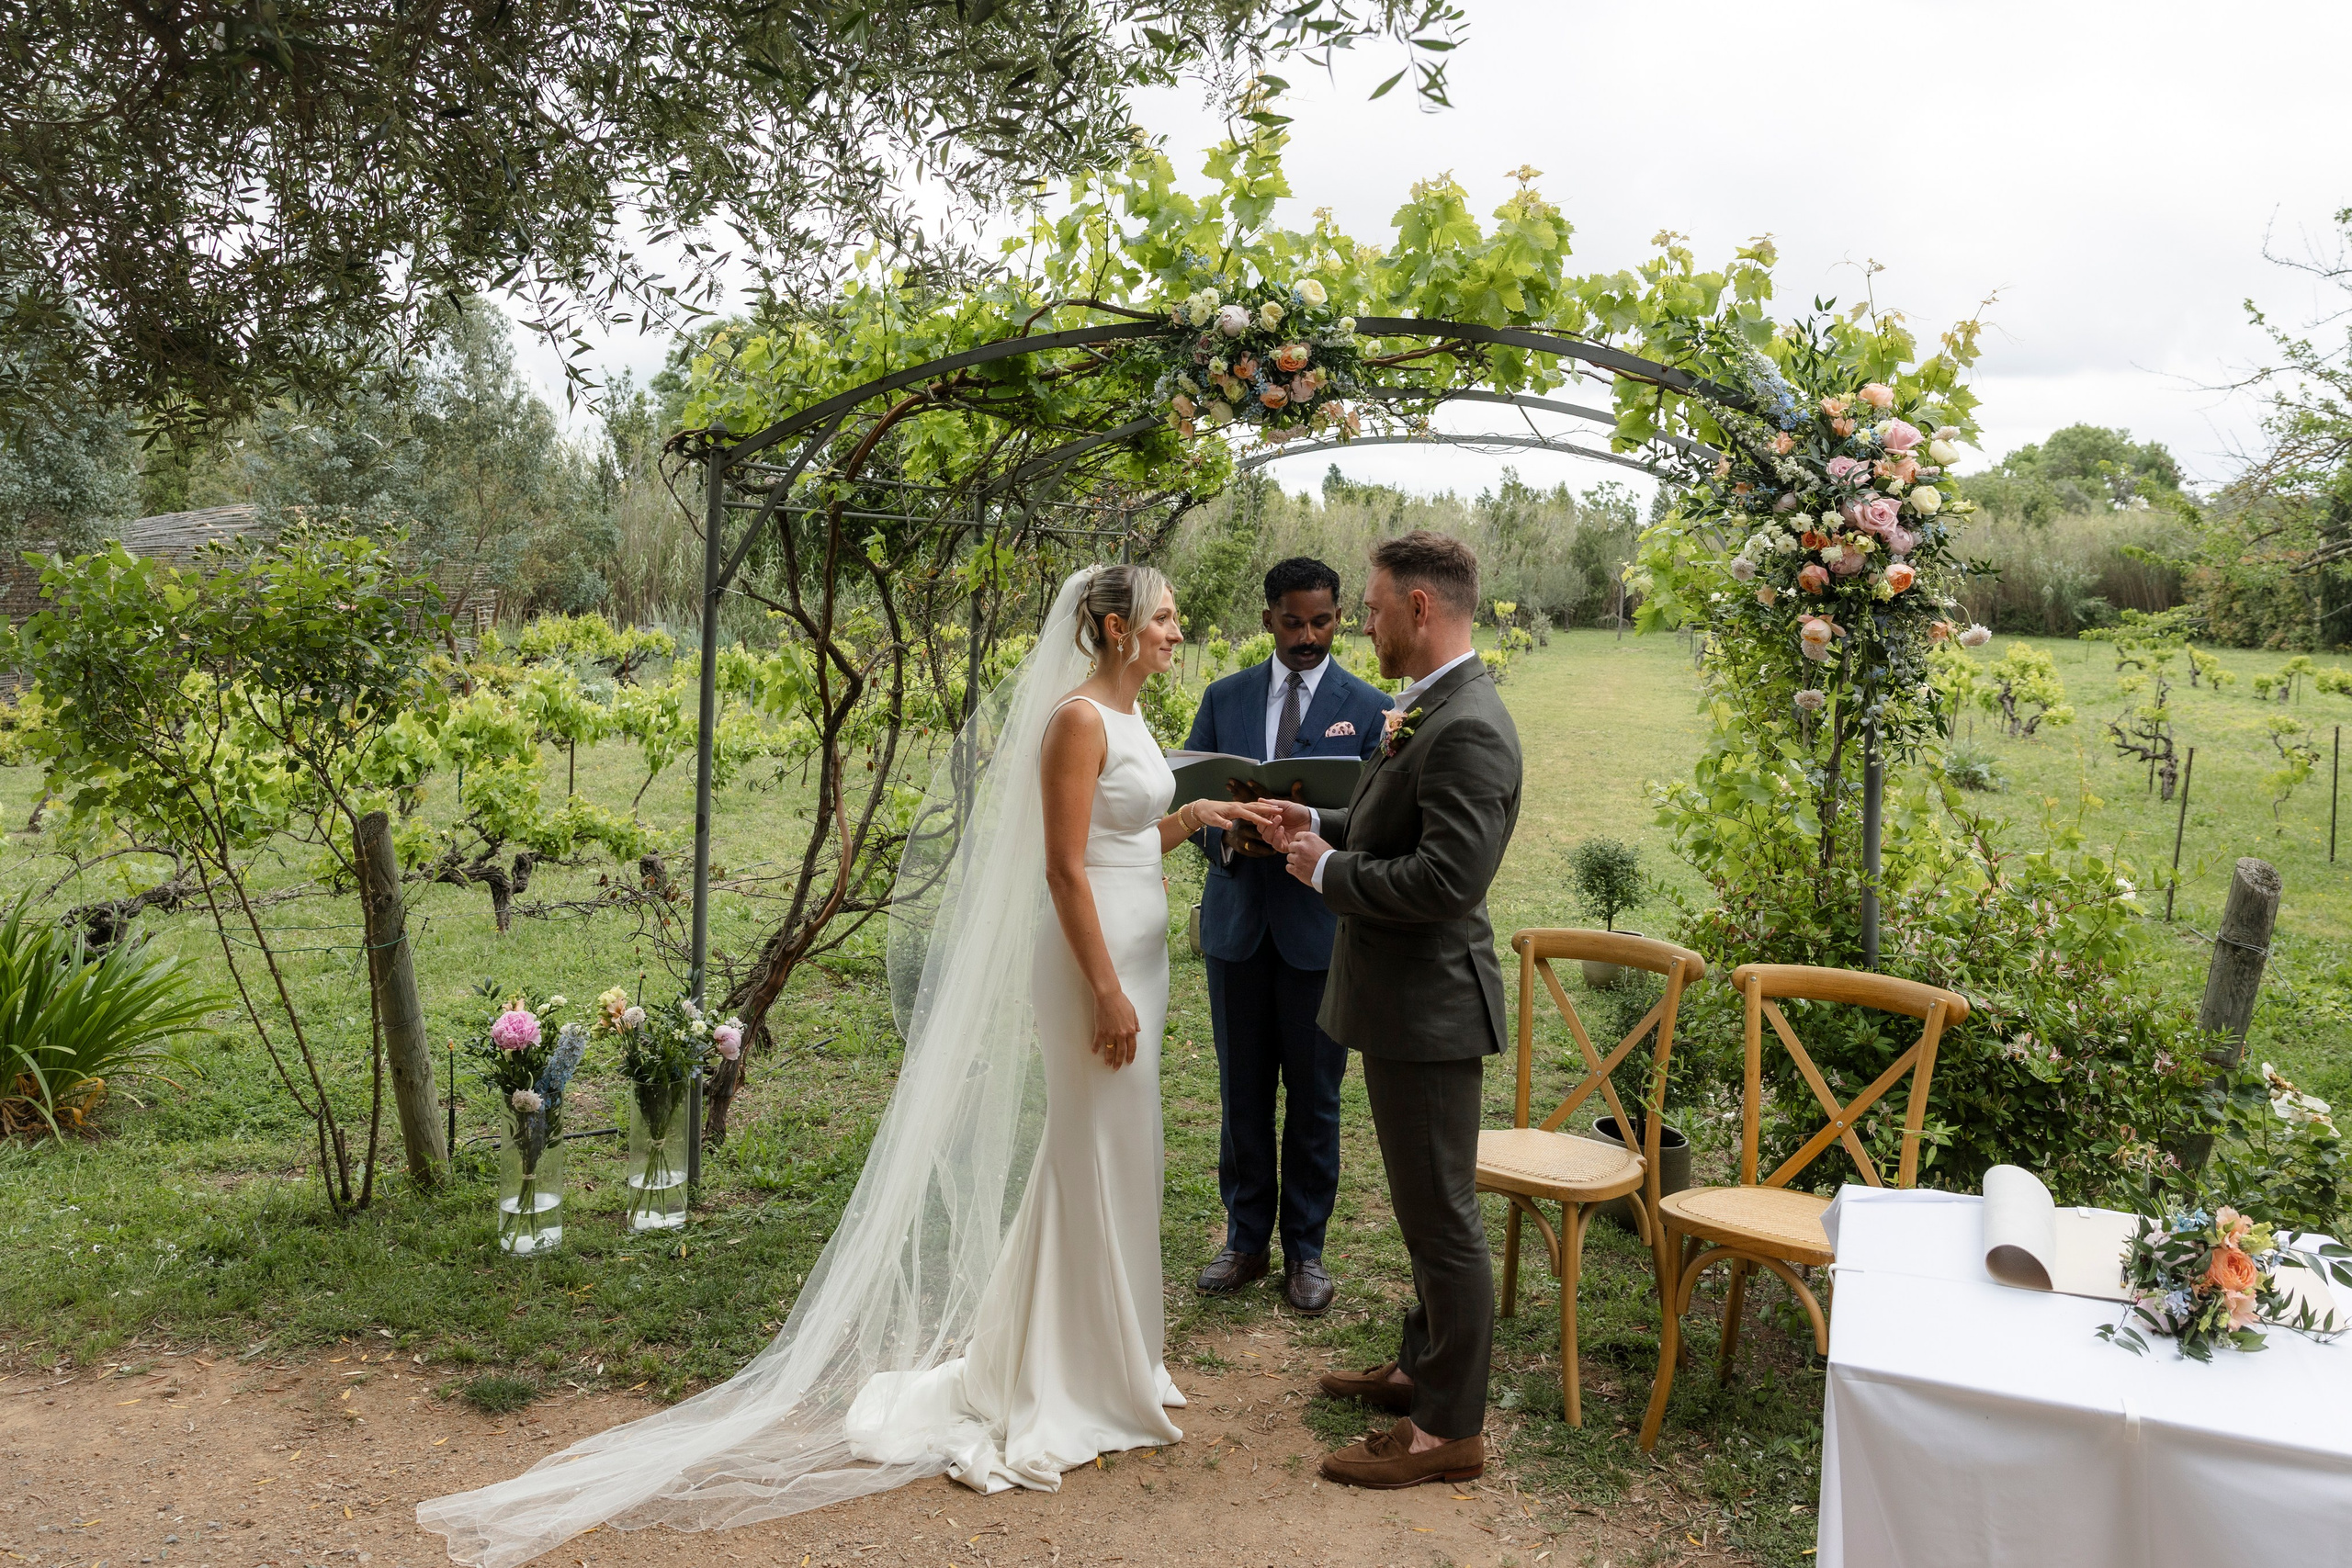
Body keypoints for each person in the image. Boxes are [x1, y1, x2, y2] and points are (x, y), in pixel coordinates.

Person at [417, 567, 1276, 1568]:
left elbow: (1123, 835)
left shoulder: (1132, 718)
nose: (1181, 630)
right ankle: (1067, 1372)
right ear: (1118, 628)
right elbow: (1059, 867)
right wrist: (1105, 990)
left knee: (1124, 1151)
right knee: (1091, 1147)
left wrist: (1197, 820)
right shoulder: (1075, 721)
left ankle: (1113, 1353)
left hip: (1139, 947)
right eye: (1167, 617)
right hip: (1090, 963)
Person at [1261, 530, 1523, 1490]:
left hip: (1431, 1009)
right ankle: (1420, 1369)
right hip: (1401, 1001)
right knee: (1421, 1210)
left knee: (1443, 1217)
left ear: (1419, 608)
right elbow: (1393, 820)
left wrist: (1328, 871)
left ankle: (1448, 1430)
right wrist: (1318, 824)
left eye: (1368, 608)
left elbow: (1447, 880)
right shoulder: (1429, 708)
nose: (1358, 624)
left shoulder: (1471, 725)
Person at [1182, 556, 1390, 1314]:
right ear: (1268, 617)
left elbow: (1379, 821)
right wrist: (1230, 840)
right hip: (1238, 922)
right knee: (1241, 1092)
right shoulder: (1223, 696)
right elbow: (1192, 802)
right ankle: (1244, 1241)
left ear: (1337, 618)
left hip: (1316, 928)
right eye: (1294, 621)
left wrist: (1320, 846)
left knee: (1315, 1095)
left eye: (1324, 620)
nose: (1309, 636)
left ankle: (1306, 1250)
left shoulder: (1370, 708)